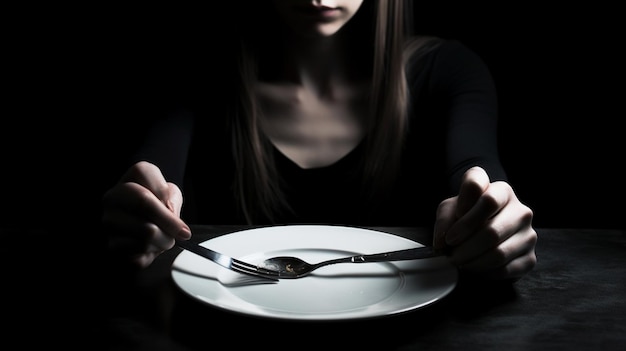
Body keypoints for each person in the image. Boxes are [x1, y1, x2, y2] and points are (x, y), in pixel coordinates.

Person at [103, 0, 537, 281]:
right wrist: (140, 205)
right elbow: (153, 171)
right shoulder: (195, 73)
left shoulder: (449, 72)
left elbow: (476, 170)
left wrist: (491, 214)